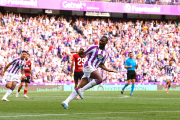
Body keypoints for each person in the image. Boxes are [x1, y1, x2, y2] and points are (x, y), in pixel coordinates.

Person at [61, 36, 117, 109]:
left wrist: (109, 70)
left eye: (102, 41)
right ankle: (83, 90)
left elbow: (101, 64)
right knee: (100, 79)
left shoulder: (106, 53)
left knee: (78, 87)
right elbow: (83, 55)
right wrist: (81, 53)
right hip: (88, 66)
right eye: (100, 40)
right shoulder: (94, 47)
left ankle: (66, 102)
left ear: (106, 42)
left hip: (92, 70)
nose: (100, 42)